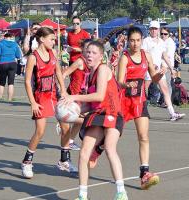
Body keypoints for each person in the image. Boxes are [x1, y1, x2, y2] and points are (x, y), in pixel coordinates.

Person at [63, 40, 128, 200]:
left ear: (101, 56)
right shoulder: (89, 75)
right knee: (84, 153)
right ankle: (82, 195)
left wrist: (73, 97)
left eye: (93, 53)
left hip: (112, 112)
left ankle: (121, 193)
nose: (89, 55)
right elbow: (90, 105)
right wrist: (69, 111)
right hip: (97, 114)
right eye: (87, 52)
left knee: (110, 148)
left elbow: (99, 95)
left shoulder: (103, 69)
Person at [118, 26, 165, 190]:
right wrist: (126, 83)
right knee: (114, 137)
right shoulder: (125, 57)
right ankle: (98, 148)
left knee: (143, 136)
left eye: (138, 40)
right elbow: (119, 81)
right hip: (124, 100)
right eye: (132, 40)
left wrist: (160, 74)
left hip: (139, 100)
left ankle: (144, 173)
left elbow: (153, 77)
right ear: (128, 41)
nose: (135, 43)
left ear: (142, 40)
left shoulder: (147, 55)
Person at [21, 27, 67, 178]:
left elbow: (59, 72)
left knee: (66, 127)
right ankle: (27, 162)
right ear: (42, 39)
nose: (54, 42)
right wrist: (33, 103)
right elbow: (27, 82)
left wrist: (64, 90)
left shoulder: (53, 53)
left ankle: (64, 160)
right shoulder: (33, 57)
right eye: (52, 39)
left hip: (53, 95)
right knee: (40, 131)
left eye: (54, 39)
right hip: (40, 97)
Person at [142, 21, 185, 121]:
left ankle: (172, 113)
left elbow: (164, 55)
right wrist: (151, 64)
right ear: (149, 29)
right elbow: (144, 55)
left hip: (159, 71)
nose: (153, 30)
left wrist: (171, 68)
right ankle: (141, 111)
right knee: (143, 91)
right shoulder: (146, 41)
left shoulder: (161, 42)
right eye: (152, 28)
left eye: (155, 29)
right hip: (148, 70)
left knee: (165, 90)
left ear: (158, 30)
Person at [61, 39, 91, 151]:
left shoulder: (91, 62)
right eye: (87, 48)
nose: (89, 51)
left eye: (91, 48)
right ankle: (64, 119)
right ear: (82, 49)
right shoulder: (80, 61)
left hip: (83, 94)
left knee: (80, 121)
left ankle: (70, 141)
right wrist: (62, 90)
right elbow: (64, 73)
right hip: (74, 93)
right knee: (84, 119)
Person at [0, 33, 21, 101]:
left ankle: (0, 98)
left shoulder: (0, 44)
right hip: (12, 63)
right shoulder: (15, 44)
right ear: (11, 37)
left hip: (3, 63)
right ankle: (10, 98)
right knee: (11, 82)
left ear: (4, 37)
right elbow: (18, 55)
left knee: (2, 82)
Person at [160, 27, 176, 99]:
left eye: (165, 34)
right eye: (162, 34)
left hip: (167, 66)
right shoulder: (161, 41)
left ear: (169, 34)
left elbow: (168, 56)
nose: (163, 35)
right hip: (162, 65)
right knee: (162, 84)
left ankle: (167, 101)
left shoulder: (170, 43)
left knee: (167, 84)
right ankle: (164, 100)